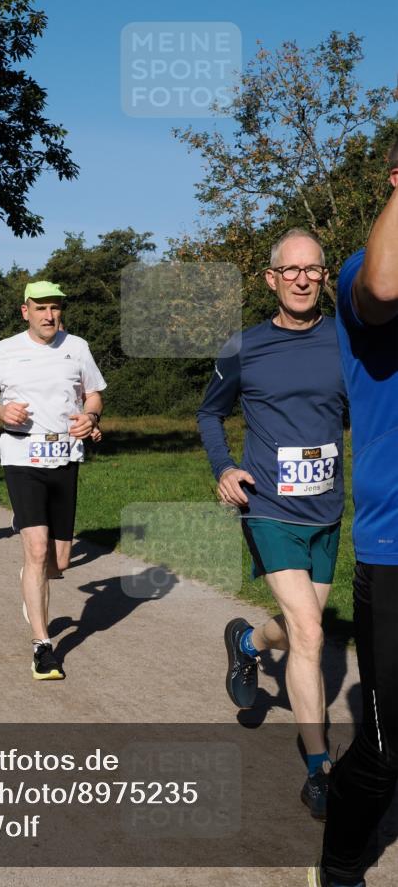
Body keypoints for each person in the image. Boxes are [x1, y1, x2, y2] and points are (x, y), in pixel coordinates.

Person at [197, 229, 348, 819]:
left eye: (313, 270)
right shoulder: (245, 346)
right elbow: (209, 413)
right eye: (291, 270)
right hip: (268, 505)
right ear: (271, 279)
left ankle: (247, 642)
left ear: (325, 277)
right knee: (309, 633)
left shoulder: (346, 341)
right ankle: (319, 768)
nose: (302, 279)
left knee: (299, 631)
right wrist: (224, 467)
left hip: (326, 509)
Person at [311, 145, 398, 887]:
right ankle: (339, 866)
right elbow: (383, 286)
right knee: (388, 744)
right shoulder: (359, 270)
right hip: (395, 547)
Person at [0, 280, 106, 681]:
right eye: (41, 307)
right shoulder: (5, 349)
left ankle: (33, 575)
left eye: (55, 307)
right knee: (37, 547)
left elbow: (94, 394)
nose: (49, 315)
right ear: (24, 311)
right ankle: (42, 647)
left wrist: (90, 417)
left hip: (64, 457)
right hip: (21, 456)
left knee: (58, 562)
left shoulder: (77, 347)